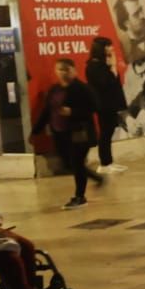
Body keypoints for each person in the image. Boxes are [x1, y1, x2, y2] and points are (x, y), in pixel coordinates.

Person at [31, 59, 102, 209]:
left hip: (79, 133)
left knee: (77, 164)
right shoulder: (55, 90)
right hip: (61, 133)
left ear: (73, 71)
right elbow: (46, 111)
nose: (62, 73)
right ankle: (96, 178)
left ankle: (80, 196)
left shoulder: (81, 88)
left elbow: (95, 107)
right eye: (59, 69)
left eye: (66, 69)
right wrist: (36, 131)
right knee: (70, 164)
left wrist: (73, 112)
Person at [85, 37, 128, 174]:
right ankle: (104, 163)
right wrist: (113, 67)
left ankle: (108, 162)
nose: (111, 48)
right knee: (105, 133)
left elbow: (115, 82)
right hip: (103, 104)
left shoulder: (103, 64)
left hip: (110, 103)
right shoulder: (93, 66)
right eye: (108, 46)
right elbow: (105, 83)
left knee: (109, 132)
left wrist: (112, 67)